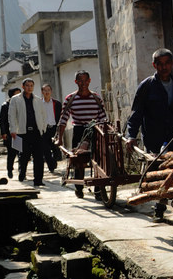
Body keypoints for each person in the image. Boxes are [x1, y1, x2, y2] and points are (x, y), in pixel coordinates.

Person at [125, 48, 173, 221]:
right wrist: (131, 135)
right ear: (154, 65)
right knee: (157, 172)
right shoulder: (146, 86)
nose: (164, 67)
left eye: (167, 63)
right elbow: (136, 113)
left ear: (172, 64)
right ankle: (160, 205)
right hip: (154, 138)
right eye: (160, 64)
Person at [55, 69, 108, 198]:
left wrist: (104, 132)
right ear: (76, 82)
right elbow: (63, 119)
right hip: (79, 130)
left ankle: (98, 189)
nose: (83, 83)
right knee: (79, 160)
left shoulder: (96, 98)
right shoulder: (70, 99)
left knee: (99, 159)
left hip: (95, 130)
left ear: (89, 81)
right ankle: (79, 187)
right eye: (80, 81)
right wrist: (60, 138)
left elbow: (103, 118)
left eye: (85, 80)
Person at [8, 78, 47, 187]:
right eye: (27, 85)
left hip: (36, 131)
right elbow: (12, 115)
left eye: (31, 85)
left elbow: (43, 115)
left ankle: (38, 180)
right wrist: (13, 130)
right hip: (22, 132)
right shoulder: (15, 99)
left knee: (39, 157)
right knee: (24, 156)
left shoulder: (38, 100)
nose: (29, 87)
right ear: (23, 86)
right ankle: (22, 173)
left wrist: (43, 128)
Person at [0, 86, 21, 179]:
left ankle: (21, 170)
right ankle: (10, 169)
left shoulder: (22, 104)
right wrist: (3, 133)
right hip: (10, 133)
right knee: (11, 153)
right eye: (17, 94)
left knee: (22, 153)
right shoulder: (5, 106)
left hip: (21, 132)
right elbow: (2, 120)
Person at [40, 83, 62, 173]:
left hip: (54, 129)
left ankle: (54, 161)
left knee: (56, 148)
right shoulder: (39, 104)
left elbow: (61, 116)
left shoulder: (57, 103)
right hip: (44, 129)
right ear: (42, 92)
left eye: (48, 90)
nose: (47, 92)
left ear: (51, 91)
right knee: (46, 150)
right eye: (45, 90)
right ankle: (51, 167)